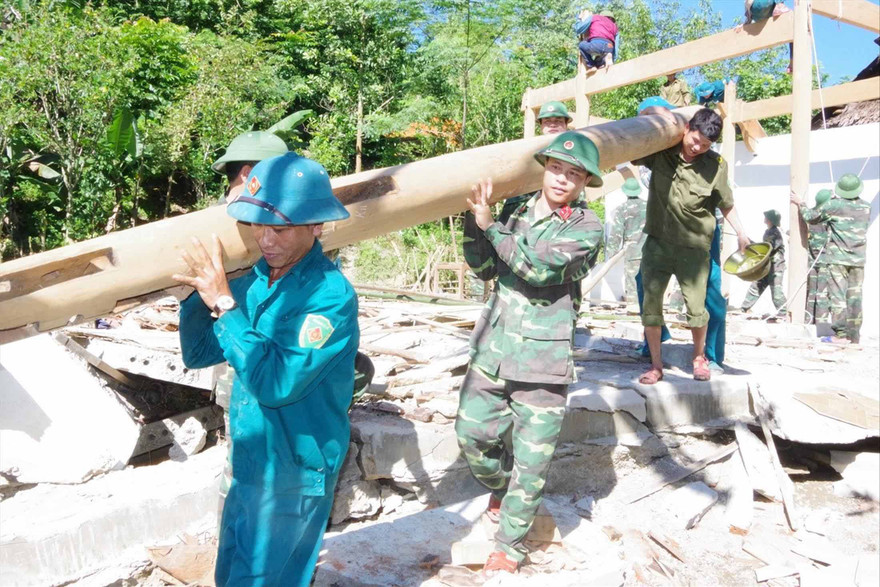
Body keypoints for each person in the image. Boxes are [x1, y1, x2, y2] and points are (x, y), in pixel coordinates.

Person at [174, 152, 359, 586]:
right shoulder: (256, 280)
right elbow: (198, 352)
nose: (266, 240)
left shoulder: (329, 297)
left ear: (315, 227)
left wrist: (223, 303)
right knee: (232, 576)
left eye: (278, 229)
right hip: (252, 461)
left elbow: (276, 383)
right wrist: (194, 299)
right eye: (258, 226)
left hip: (294, 471)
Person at [457, 132, 604, 575]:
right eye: (557, 168)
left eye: (573, 173)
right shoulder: (514, 210)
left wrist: (489, 226)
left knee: (532, 460)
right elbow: (484, 266)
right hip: (493, 348)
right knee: (473, 437)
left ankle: (511, 546)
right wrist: (472, 219)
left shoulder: (586, 226)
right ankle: (505, 492)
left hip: (543, 360)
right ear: (545, 168)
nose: (562, 179)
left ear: (583, 183)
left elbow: (536, 268)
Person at [633, 107, 749, 384]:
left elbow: (726, 203)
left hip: (694, 250)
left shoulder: (716, 165)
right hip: (657, 245)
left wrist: (742, 234)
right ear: (686, 129)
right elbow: (633, 149)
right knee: (651, 308)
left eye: (705, 145)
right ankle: (656, 365)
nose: (698, 147)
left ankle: (700, 358)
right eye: (695, 139)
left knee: (697, 310)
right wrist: (654, 114)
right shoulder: (661, 153)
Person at [209, 131, 290, 524]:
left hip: (270, 373)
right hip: (249, 372)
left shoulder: (281, 229)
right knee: (247, 470)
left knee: (253, 471)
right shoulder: (232, 229)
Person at [636, 212, 727, 373]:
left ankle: (712, 355)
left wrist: (741, 232)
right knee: (643, 281)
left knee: (711, 286)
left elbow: (725, 202)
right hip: (665, 228)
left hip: (701, 227)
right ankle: (654, 343)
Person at [793, 174, 870, 343]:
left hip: (837, 260)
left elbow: (810, 216)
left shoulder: (834, 205)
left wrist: (801, 203)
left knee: (838, 297)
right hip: (858, 261)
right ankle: (854, 336)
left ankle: (840, 335)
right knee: (855, 297)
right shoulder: (866, 207)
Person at [607, 177, 647, 308]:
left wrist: (611, 253)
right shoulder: (648, 206)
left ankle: (635, 308)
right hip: (649, 250)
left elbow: (616, 233)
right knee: (649, 280)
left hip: (632, 251)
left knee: (632, 280)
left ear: (626, 192)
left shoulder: (622, 209)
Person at [741, 209, 786, 316]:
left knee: (776, 292)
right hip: (767, 266)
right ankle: (744, 308)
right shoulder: (768, 232)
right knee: (756, 286)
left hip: (776, 267)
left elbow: (767, 248)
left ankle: (784, 313)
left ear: (770, 220)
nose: (764, 218)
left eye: (766, 217)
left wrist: (751, 243)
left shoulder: (776, 233)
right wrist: (749, 242)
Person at [804, 188, 832, 324]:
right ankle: (820, 324)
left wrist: (801, 204)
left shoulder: (812, 214)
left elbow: (807, 214)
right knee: (822, 294)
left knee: (812, 293)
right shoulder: (826, 214)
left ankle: (808, 321)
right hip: (824, 260)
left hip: (813, 260)